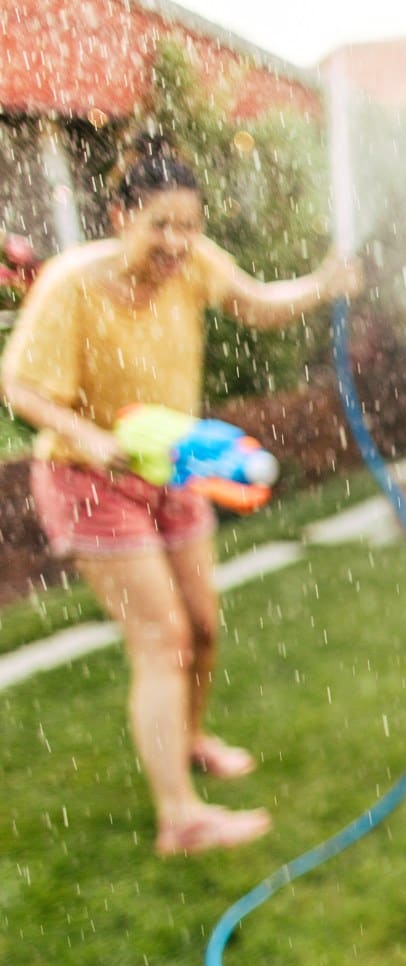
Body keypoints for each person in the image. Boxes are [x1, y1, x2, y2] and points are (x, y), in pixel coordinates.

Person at [1, 133, 360, 857]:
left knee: (201, 625)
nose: (177, 242)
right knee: (161, 639)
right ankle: (180, 820)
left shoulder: (193, 265)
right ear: (119, 217)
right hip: (90, 479)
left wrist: (323, 284)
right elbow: (19, 388)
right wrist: (90, 436)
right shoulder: (72, 284)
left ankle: (190, 740)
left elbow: (256, 303)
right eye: (159, 224)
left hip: (174, 468)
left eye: (189, 226)